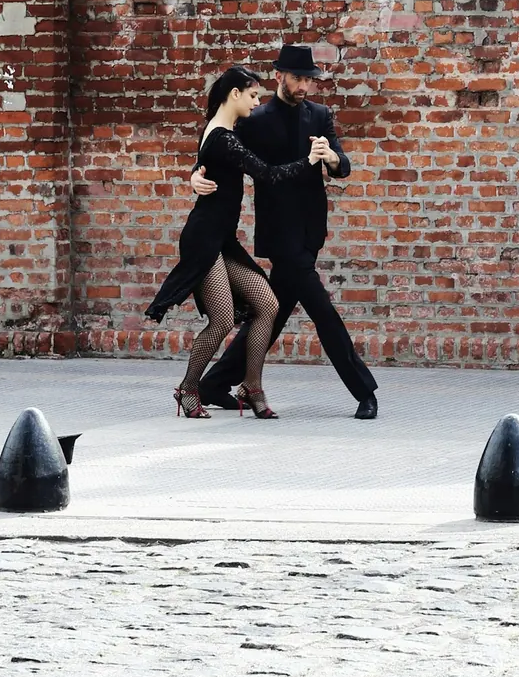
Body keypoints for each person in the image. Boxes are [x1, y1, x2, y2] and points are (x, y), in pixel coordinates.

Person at [192, 45, 379, 419]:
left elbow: (343, 167)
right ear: (280, 76)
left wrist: (332, 158)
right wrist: (196, 173)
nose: (304, 86)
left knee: (270, 313)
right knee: (323, 311)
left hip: (311, 231)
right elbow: (217, 143)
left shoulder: (321, 116)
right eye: (298, 78)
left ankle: (214, 383)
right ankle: (364, 390)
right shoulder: (255, 118)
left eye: (309, 79)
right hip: (280, 233)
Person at [146, 65, 320, 419]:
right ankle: (188, 389)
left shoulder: (222, 129)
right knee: (223, 320)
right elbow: (268, 175)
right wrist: (310, 161)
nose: (257, 102)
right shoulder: (223, 138)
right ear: (235, 94)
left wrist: (193, 174)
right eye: (253, 95)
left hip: (221, 238)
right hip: (204, 239)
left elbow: (203, 163)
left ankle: (251, 385)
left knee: (267, 305)